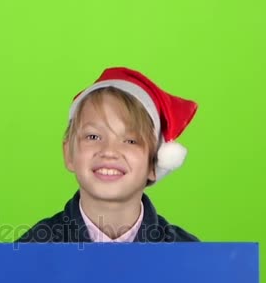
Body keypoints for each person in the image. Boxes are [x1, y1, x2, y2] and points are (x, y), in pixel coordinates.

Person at [16, 67, 199, 242]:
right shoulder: (31, 250)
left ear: (154, 162)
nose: (109, 151)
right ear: (69, 153)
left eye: (130, 140)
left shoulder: (189, 256)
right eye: (93, 136)